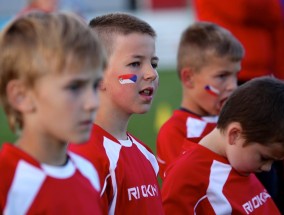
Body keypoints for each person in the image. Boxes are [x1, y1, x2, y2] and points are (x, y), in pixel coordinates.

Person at [0, 11, 105, 214]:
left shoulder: (88, 172)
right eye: (74, 87)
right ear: (21, 96)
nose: (93, 103)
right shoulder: (6, 183)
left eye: (94, 86)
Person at [192, 1, 284, 211]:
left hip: (268, 70)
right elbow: (241, 8)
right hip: (244, 71)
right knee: (254, 162)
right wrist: (275, 6)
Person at [69, 12, 164, 215]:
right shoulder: (85, 157)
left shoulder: (145, 154)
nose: (151, 73)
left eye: (153, 63)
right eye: (135, 64)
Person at [162, 76, 284, 214]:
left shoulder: (238, 159)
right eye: (264, 158)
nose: (267, 168)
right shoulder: (186, 177)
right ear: (235, 135)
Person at [156, 21, 244, 180]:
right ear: (189, 78)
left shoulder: (235, 120)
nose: (233, 86)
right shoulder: (174, 133)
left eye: (235, 76)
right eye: (222, 76)